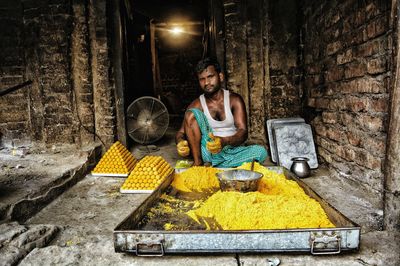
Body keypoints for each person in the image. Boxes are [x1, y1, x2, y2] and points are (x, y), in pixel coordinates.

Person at [175, 57, 268, 167]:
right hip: (208, 151)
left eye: (210, 77)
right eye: (202, 79)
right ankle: (199, 163)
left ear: (220, 76)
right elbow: (181, 133)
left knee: (261, 152)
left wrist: (224, 141)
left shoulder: (234, 100)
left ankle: (217, 166)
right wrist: (180, 142)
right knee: (191, 113)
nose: (206, 82)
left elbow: (243, 132)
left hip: (232, 149)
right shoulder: (197, 104)